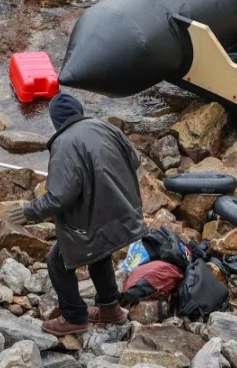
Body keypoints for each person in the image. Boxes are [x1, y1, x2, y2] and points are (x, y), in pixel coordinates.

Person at [8, 92, 147, 336]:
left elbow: (59, 198)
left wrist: (29, 211)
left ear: (55, 121)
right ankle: (110, 309)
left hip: (93, 220)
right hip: (124, 213)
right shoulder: (106, 127)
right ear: (78, 111)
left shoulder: (64, 143)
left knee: (58, 262)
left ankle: (74, 318)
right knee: (98, 253)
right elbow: (133, 161)